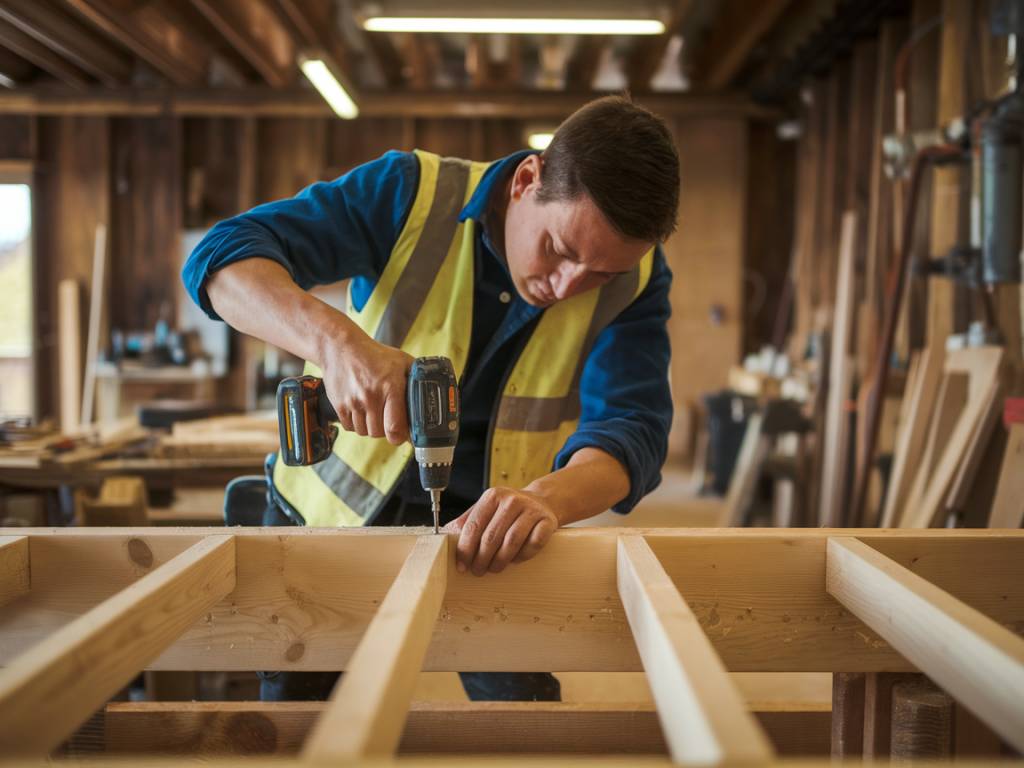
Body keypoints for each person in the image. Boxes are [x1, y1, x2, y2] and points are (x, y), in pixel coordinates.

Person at [183, 94, 680, 702]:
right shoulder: (413, 195)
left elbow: (634, 429)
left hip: (491, 541)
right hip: (328, 527)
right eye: (558, 249)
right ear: (528, 180)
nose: (568, 286)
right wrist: (337, 343)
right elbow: (219, 259)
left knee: (526, 726)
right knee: (298, 725)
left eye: (599, 274)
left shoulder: (640, 276)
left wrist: (547, 500)